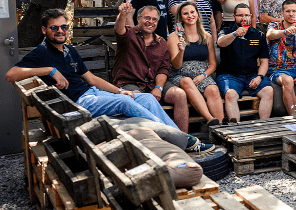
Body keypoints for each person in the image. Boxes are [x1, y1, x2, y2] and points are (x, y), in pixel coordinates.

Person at [7, 9, 185, 132]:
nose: (60, 31)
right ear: (44, 30)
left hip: (93, 93)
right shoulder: (41, 52)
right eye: (54, 28)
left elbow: (91, 79)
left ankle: (181, 136)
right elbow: (11, 74)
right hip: (78, 103)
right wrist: (49, 70)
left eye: (64, 27)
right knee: (125, 103)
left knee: (145, 98)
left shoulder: (70, 50)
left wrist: (120, 90)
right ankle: (175, 135)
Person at [113, 1, 190, 130]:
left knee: (180, 95)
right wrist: (122, 15)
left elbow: (163, 69)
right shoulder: (128, 35)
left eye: (154, 19)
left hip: (154, 83)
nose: (151, 22)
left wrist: (159, 87)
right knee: (141, 98)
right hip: (130, 83)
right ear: (138, 19)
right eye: (147, 18)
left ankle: (184, 138)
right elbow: (119, 29)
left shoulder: (161, 42)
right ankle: (159, 138)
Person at [167, 1, 224, 128]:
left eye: (192, 12)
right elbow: (175, 65)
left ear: (197, 14)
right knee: (187, 81)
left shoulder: (207, 36)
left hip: (201, 75)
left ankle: (221, 128)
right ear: (181, 17)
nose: (190, 15)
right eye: (185, 13)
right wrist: (181, 50)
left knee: (213, 89)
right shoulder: (174, 36)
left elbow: (213, 64)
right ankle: (211, 120)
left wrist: (203, 75)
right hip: (180, 75)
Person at [216, 3, 274, 123]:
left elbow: (264, 62)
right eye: (240, 15)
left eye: (247, 15)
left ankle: (263, 127)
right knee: (230, 94)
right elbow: (220, 42)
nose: (244, 18)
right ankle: (236, 130)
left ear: (251, 16)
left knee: (268, 91)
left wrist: (259, 77)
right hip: (229, 75)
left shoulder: (259, 35)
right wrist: (235, 34)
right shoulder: (226, 30)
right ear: (234, 16)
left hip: (251, 75)